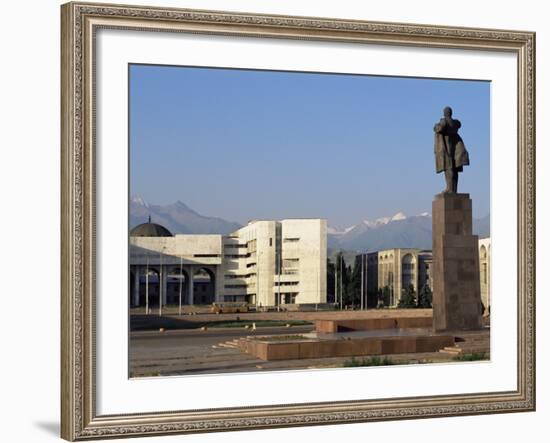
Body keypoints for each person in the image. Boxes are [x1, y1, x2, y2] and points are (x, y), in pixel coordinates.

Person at [434, 106, 470, 193]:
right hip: (456, 147)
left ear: (444, 113)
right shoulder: (454, 123)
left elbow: (439, 128)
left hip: (446, 147)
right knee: (454, 169)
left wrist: (436, 126)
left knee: (448, 168)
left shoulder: (444, 121)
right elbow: (459, 124)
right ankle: (453, 189)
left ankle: (449, 189)